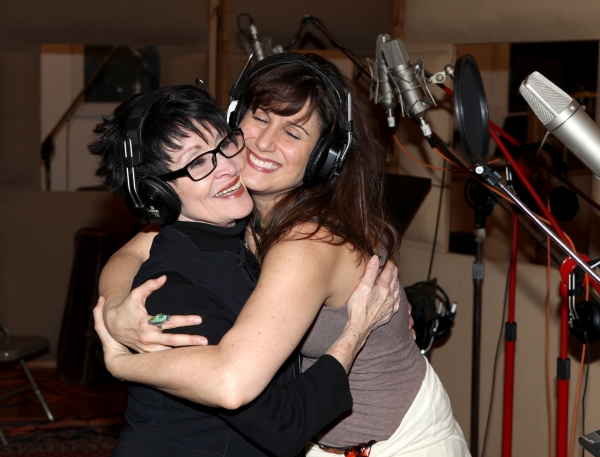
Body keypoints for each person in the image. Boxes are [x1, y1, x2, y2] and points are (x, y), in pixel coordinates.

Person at [96, 53, 470, 456]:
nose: (264, 142)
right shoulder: (239, 209)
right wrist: (117, 309)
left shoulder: (308, 241)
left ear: (324, 156)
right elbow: (137, 249)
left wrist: (357, 331)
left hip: (395, 444)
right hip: (315, 436)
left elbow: (234, 382)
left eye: (294, 133)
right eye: (259, 118)